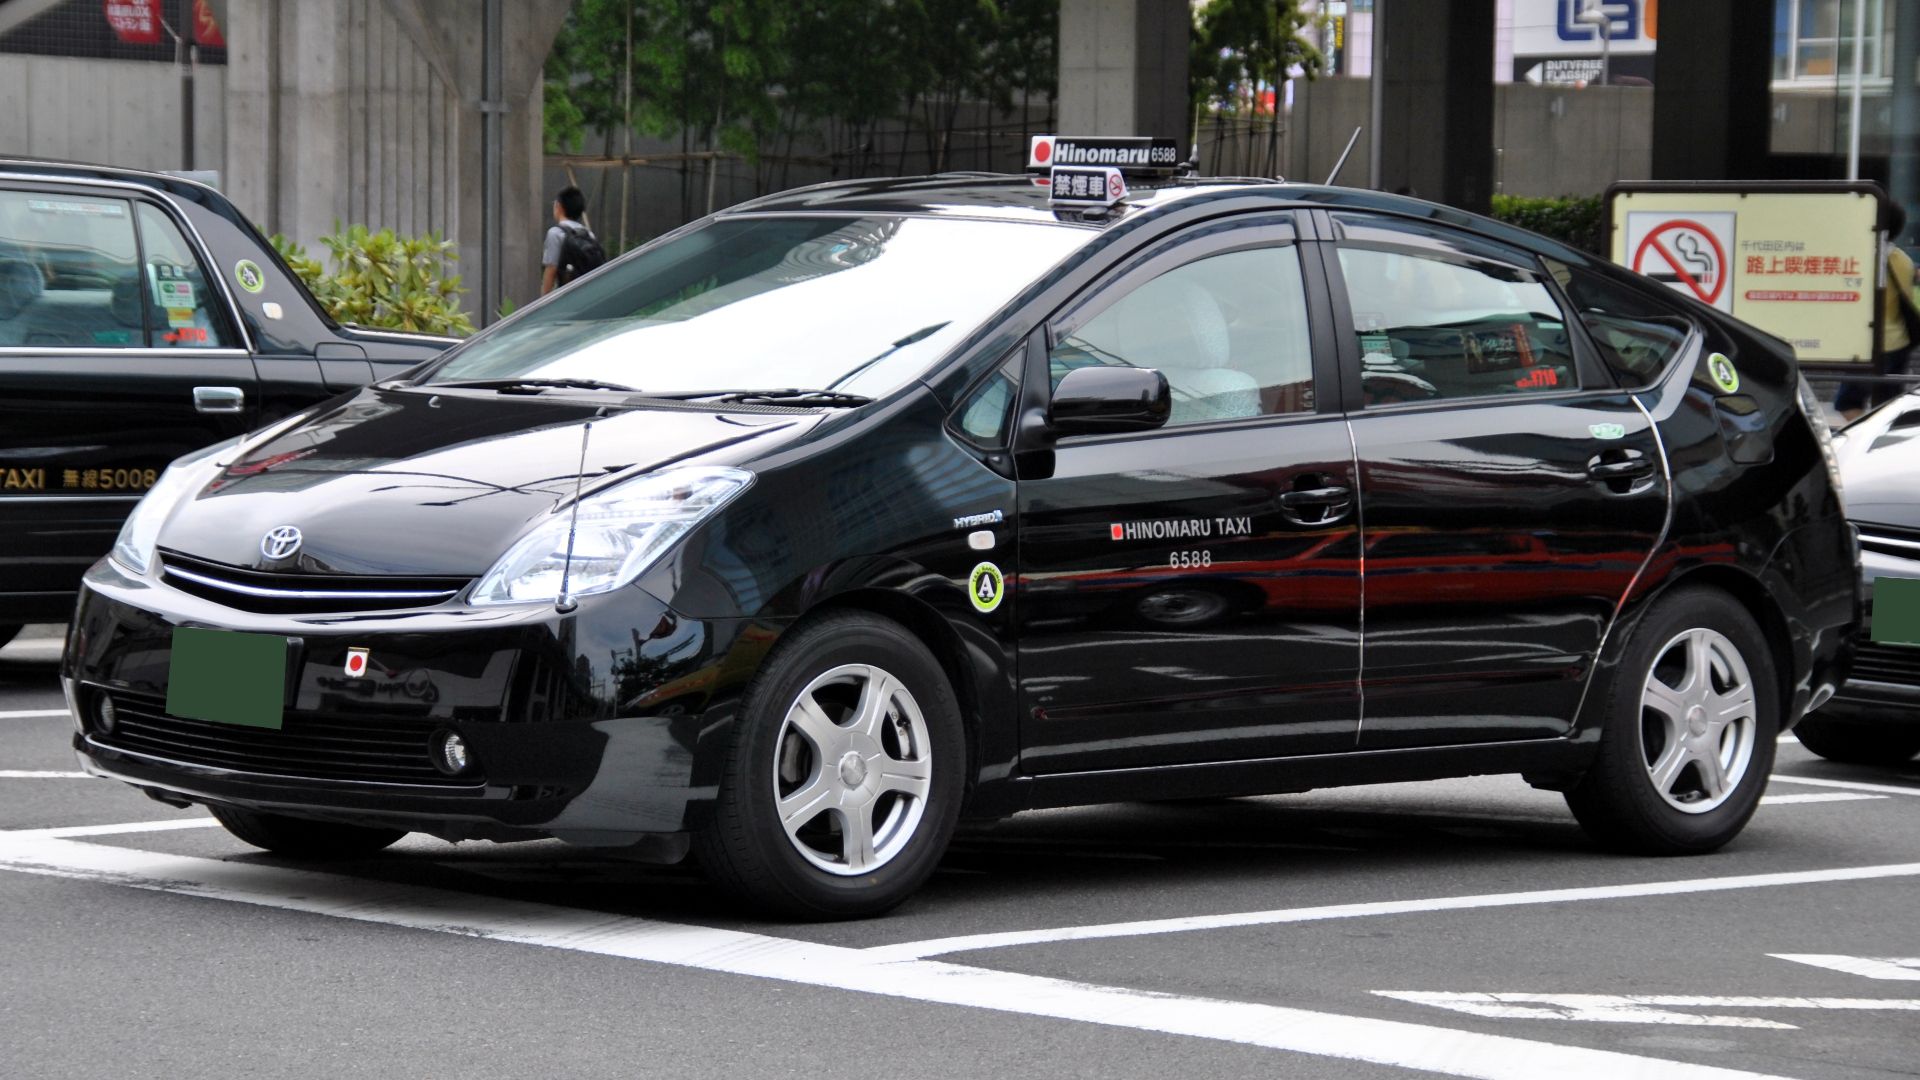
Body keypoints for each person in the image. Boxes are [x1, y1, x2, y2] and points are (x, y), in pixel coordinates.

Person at [1835, 202, 1918, 421]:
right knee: (1888, 405)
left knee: (1848, 402)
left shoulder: (1858, 258)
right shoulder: (1904, 260)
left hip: (1865, 344)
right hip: (1898, 342)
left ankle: (1861, 444)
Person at [540, 186, 606, 295]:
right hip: (588, 295)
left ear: (559, 206)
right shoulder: (589, 234)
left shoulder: (555, 233)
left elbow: (551, 269)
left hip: (565, 296)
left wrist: (542, 302)